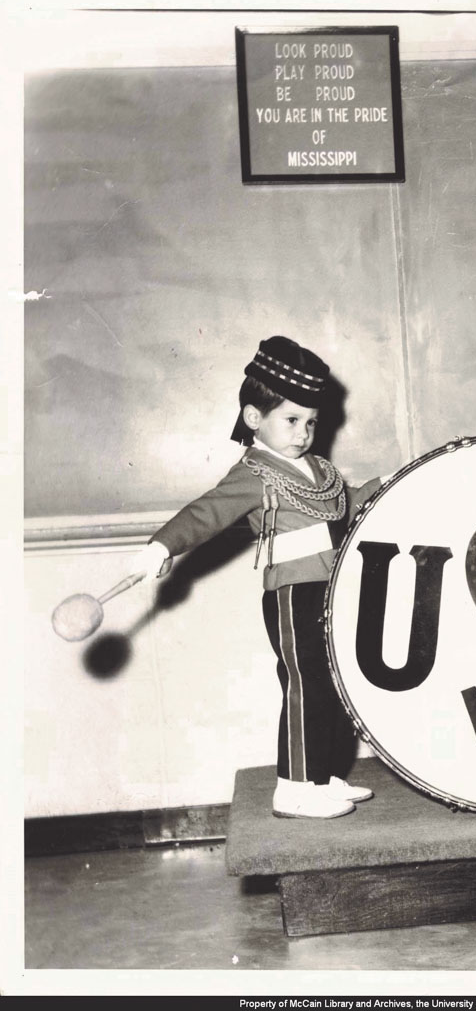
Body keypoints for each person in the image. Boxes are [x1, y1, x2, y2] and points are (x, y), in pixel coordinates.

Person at [131, 336, 382, 819]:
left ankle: (325, 776)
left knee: (334, 681)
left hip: (331, 590)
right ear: (253, 418)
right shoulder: (254, 474)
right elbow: (205, 513)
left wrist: (389, 482)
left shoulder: (316, 470)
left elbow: (346, 504)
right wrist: (161, 545)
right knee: (305, 683)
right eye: (291, 420)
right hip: (294, 595)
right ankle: (292, 786)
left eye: (310, 422)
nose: (303, 431)